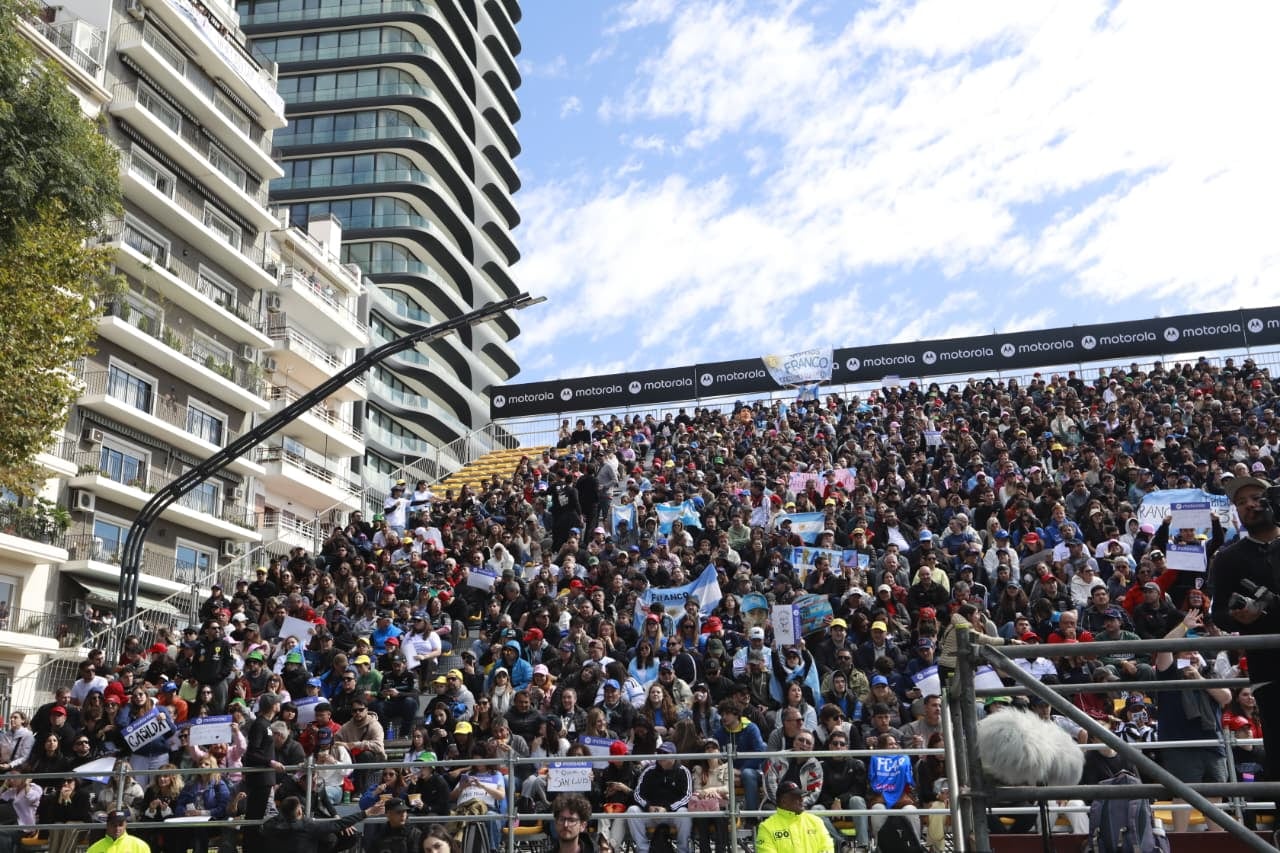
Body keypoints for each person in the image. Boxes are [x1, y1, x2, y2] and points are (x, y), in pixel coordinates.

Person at [1209, 474, 1280, 832]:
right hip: (1269, 667)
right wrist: (1239, 617)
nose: (1250, 505)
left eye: (1257, 497)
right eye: (1241, 502)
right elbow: (1216, 612)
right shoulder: (1228, 558)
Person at [260, 795, 385, 853]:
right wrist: (366, 813)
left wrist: (284, 813)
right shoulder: (308, 826)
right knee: (332, 838)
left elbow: (266, 825)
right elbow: (340, 824)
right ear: (299, 811)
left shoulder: (271, 827)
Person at [242, 693, 283, 853]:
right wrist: (270, 762)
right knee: (254, 818)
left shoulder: (266, 724)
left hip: (265, 778)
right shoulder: (260, 725)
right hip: (260, 779)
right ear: (274, 706)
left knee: (258, 817)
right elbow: (252, 752)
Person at [757, 780, 834, 853]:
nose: (802, 800)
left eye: (801, 796)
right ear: (784, 801)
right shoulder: (766, 828)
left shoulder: (816, 821)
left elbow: (828, 848)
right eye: (796, 797)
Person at [86, 810, 151, 853]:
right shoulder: (94, 849)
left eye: (120, 825)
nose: (117, 828)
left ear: (125, 825)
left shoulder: (140, 846)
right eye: (113, 825)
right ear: (107, 825)